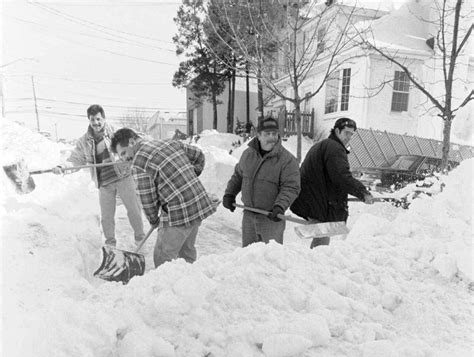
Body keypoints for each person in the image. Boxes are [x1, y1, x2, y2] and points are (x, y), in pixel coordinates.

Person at [110, 128, 217, 268]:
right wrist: (189, 177)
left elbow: (147, 199)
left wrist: (154, 219)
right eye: (121, 156)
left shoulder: (139, 163)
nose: (124, 158)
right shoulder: (168, 143)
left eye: (124, 152)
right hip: (198, 206)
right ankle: (190, 283)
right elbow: (198, 155)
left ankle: (171, 287)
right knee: (186, 253)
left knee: (163, 258)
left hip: (179, 214)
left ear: (132, 141)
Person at [52, 104, 145, 248]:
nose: (96, 123)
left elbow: (134, 142)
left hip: (123, 177)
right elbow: (75, 159)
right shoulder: (84, 141)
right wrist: (62, 167)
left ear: (104, 118)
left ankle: (140, 240)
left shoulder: (115, 133)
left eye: (98, 119)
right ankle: (110, 246)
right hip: (104, 183)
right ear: (89, 121)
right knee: (107, 217)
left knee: (134, 210)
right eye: (92, 120)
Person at [290, 117, 374, 247]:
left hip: (313, 199)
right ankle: (315, 263)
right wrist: (362, 192)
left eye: (352, 134)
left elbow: (331, 175)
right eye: (346, 133)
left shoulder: (324, 145)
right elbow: (341, 177)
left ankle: (314, 260)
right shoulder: (334, 148)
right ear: (337, 131)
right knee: (322, 239)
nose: (349, 137)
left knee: (322, 235)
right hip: (317, 202)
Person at [222, 116, 300, 247]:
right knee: (249, 258)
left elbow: (291, 187)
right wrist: (230, 194)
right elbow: (238, 176)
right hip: (248, 216)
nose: (272, 137)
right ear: (258, 135)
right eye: (267, 134)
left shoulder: (287, 160)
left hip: (271, 218)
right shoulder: (248, 154)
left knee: (270, 259)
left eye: (274, 133)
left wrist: (280, 206)